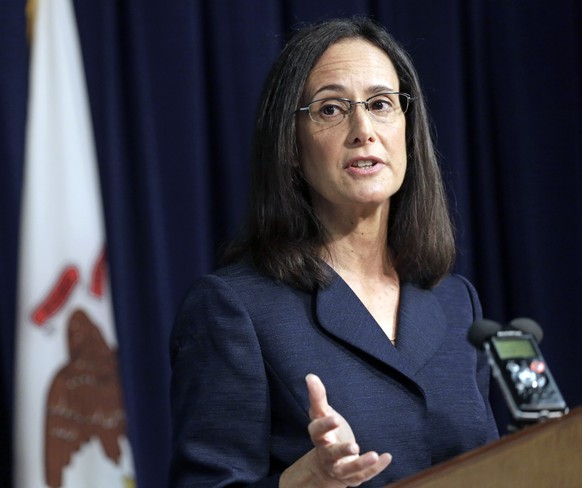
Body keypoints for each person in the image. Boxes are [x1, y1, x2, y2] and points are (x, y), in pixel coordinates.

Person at [169, 17, 499, 488]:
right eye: (330, 110)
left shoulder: (454, 301)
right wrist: (299, 484)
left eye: (382, 104)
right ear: (290, 145)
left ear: (408, 128)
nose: (363, 129)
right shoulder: (232, 309)